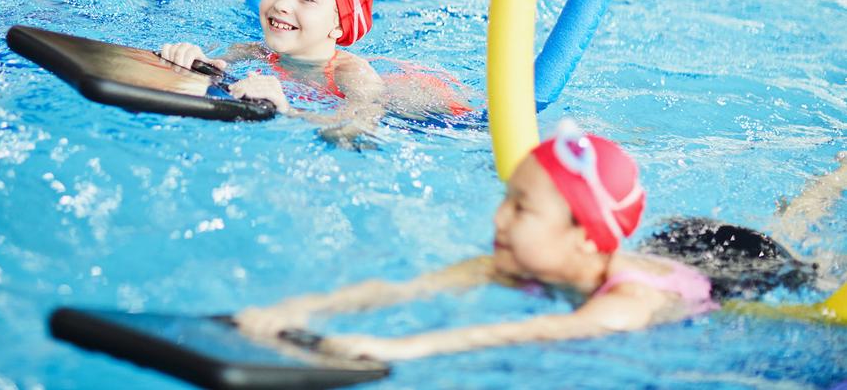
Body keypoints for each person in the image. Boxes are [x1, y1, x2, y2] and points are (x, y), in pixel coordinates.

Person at [235, 121, 841, 361]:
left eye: (520, 207)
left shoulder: (626, 307)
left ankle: (834, 177)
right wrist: (302, 310)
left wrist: (403, 349)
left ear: (582, 238)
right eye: (507, 198)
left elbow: (525, 330)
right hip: (670, 245)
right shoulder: (514, 259)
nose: (499, 219)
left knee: (794, 242)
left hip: (738, 275)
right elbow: (405, 287)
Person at [161, 0, 468, 144]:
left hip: (446, 115)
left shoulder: (352, 74)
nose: (281, 4)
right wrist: (191, 58)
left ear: (337, 25)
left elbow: (355, 131)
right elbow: (216, 64)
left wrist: (287, 111)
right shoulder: (255, 51)